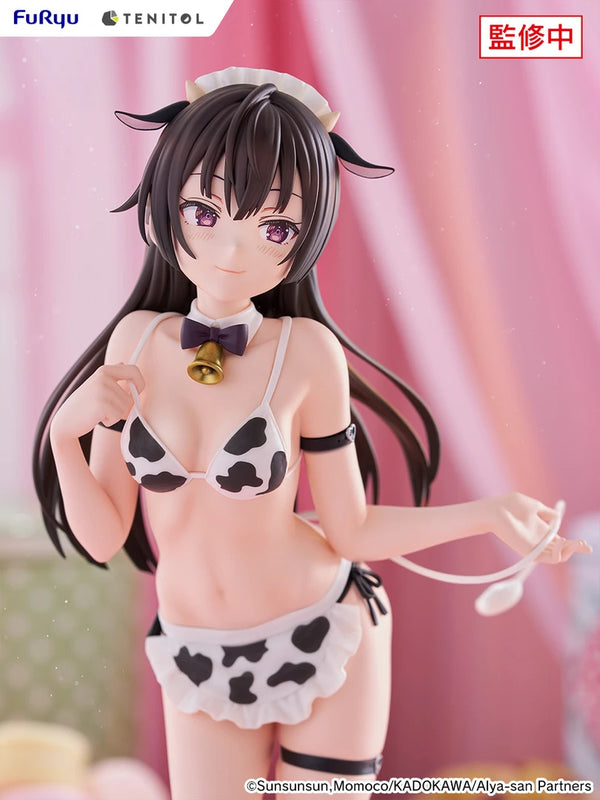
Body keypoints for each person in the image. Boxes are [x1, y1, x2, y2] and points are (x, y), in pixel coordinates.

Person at [32, 68, 590, 800]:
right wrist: (66, 435)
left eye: (274, 228)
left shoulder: (305, 354)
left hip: (324, 626)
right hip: (196, 650)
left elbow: (349, 529)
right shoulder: (134, 342)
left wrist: (488, 514)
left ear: (308, 235)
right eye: (204, 211)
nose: (233, 251)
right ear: (165, 202)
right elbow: (104, 538)